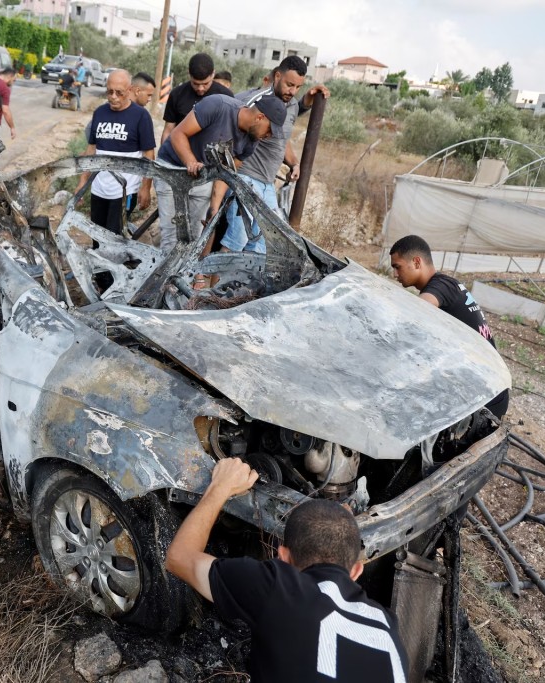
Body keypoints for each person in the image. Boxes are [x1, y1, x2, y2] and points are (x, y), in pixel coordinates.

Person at [166, 457, 409, 683]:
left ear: (282, 557)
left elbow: (179, 557)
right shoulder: (387, 624)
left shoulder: (277, 590)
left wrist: (220, 486)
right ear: (356, 570)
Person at [219, 56, 331, 254]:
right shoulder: (256, 100)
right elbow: (229, 119)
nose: (292, 91)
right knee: (238, 236)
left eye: (298, 87)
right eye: (289, 84)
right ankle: (211, 281)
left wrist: (294, 163)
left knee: (266, 240)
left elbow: (282, 140)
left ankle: (242, 283)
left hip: (268, 183)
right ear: (277, 76)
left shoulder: (293, 106)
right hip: (245, 177)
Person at [389, 235, 509, 418]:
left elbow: (412, 314)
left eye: (397, 267)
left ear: (416, 262)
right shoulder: (447, 284)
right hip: (485, 387)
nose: (394, 274)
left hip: (486, 398)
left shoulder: (442, 286)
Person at [154, 92, 286, 253]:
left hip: (203, 179)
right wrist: (190, 161)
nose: (268, 136)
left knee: (194, 237)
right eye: (269, 131)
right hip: (171, 169)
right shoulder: (217, 106)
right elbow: (178, 134)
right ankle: (164, 276)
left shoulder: (251, 142)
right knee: (171, 235)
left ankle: (182, 276)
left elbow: (225, 173)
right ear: (259, 117)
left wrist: (214, 209)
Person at [75, 69, 155, 235]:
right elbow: (91, 150)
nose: (113, 97)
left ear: (129, 90)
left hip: (124, 192)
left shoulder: (141, 116)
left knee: (114, 237)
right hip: (98, 188)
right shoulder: (100, 113)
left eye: (119, 92)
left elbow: (149, 154)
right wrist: (83, 182)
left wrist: (146, 187)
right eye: (109, 92)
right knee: (97, 236)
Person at [160, 53, 234, 145]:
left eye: (205, 84)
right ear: (189, 74)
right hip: (178, 152)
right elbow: (168, 130)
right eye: (195, 84)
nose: (200, 88)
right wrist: (162, 156)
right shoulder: (177, 94)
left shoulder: (226, 96)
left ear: (213, 74)